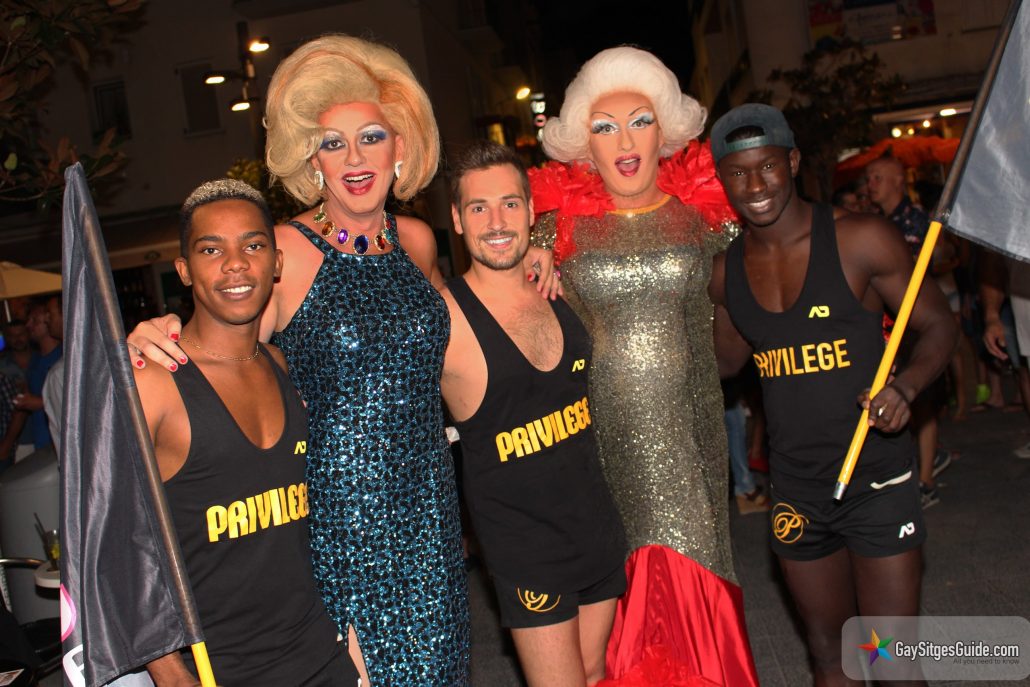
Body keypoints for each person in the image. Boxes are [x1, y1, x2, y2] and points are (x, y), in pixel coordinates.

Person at [128, 34, 559, 686]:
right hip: (339, 526)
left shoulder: (418, 242)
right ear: (313, 160)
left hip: (431, 514)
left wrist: (533, 254)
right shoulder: (285, 250)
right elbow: (224, 343)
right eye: (333, 143)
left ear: (400, 148)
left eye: (371, 138)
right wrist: (153, 337)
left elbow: (467, 329)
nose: (354, 158)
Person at [529, 46, 757, 685]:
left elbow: (759, 287)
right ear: (585, 144)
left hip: (687, 426)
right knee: (617, 578)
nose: (625, 142)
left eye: (640, 122)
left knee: (693, 561)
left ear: (666, 132)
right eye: (605, 128)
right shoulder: (554, 230)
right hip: (597, 432)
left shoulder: (706, 218)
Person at [708, 103, 957, 687]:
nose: (755, 186)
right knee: (828, 652)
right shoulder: (724, 273)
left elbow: (938, 325)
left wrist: (906, 386)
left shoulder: (860, 239)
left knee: (890, 660)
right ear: (722, 181)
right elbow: (724, 363)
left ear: (793, 162)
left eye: (768, 166)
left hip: (876, 480)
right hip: (796, 490)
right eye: (738, 173)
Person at [139, 179, 359, 686]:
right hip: (220, 670)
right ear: (184, 270)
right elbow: (110, 542)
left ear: (276, 263)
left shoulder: (282, 365)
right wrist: (168, 672)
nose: (235, 264)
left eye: (253, 245)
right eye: (211, 249)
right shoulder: (153, 380)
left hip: (322, 656)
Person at [441, 141, 627, 686]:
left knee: (594, 673)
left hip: (595, 523)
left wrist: (545, 254)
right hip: (525, 548)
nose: (496, 222)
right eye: (478, 208)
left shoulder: (556, 285)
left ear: (529, 211)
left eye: (509, 204)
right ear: (457, 219)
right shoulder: (441, 320)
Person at [865, 154, 953, 507]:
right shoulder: (874, 222)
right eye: (869, 178)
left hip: (915, 320)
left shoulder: (914, 219)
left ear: (898, 181)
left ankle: (926, 480)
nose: (871, 184)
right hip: (886, 324)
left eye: (878, 178)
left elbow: (929, 265)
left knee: (922, 398)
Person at [0, 319, 33, 462]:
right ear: (6, 338)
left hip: (44, 432)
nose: (17, 339)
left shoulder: (41, 359)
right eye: (12, 336)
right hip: (17, 441)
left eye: (21, 334)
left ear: (29, 334)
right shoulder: (2, 367)